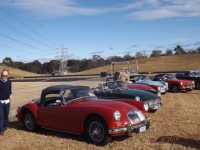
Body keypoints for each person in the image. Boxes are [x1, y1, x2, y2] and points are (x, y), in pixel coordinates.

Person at [0, 69, 12, 135]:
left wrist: (10, 95)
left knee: (6, 114)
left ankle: (5, 126)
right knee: (1, 115)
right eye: (3, 75)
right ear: (1, 75)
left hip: (7, 101)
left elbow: (10, 90)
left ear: (8, 76)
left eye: (6, 75)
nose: (4, 76)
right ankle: (1, 129)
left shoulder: (9, 82)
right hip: (0, 102)